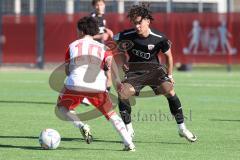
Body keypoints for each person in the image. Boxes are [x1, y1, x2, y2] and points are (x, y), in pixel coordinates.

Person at [113, 3, 197, 142]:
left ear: (147, 20)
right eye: (134, 23)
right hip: (135, 72)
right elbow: (118, 46)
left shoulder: (159, 38)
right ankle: (129, 129)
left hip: (154, 71)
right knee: (123, 93)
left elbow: (169, 56)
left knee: (169, 91)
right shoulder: (126, 35)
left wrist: (170, 76)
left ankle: (182, 128)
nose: (137, 26)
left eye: (139, 23)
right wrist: (123, 62)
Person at [56, 16, 135, 151]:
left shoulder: (72, 45)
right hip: (97, 86)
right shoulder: (103, 47)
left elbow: (68, 71)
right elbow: (109, 65)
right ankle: (129, 143)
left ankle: (81, 125)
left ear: (81, 31)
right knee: (111, 114)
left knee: (62, 106)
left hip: (75, 83)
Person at [81, 0, 113, 106]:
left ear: (104, 5)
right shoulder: (92, 18)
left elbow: (102, 31)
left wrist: (107, 31)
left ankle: (104, 96)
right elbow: (85, 36)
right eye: (97, 5)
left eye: (101, 4)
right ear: (94, 6)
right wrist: (100, 36)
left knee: (108, 72)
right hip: (92, 49)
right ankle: (86, 97)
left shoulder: (102, 19)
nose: (100, 7)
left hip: (101, 49)